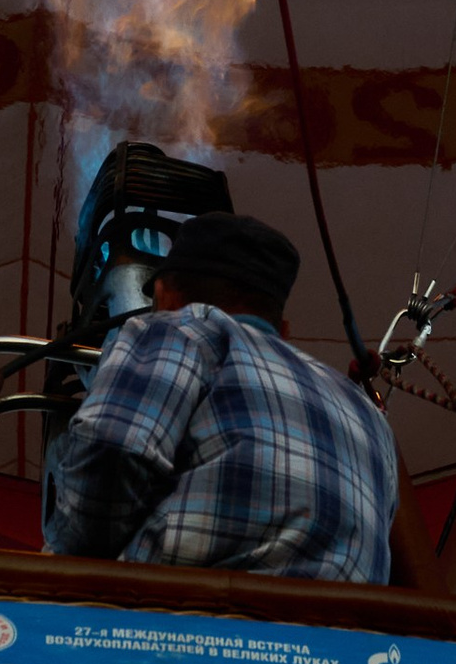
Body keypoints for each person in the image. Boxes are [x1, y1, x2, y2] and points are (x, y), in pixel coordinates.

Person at [41, 209, 398, 582]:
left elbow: (115, 446)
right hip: (344, 636)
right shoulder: (369, 415)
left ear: (167, 297)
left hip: (194, 625)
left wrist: (66, 560)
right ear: (283, 329)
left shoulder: (181, 328)